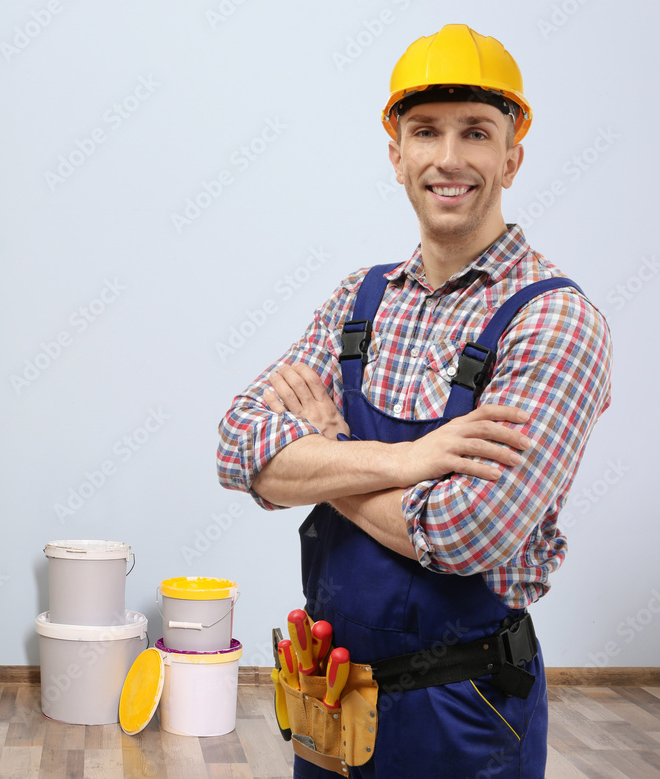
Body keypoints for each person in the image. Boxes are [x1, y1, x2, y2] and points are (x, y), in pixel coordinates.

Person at [216, 24, 612, 778]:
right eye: (425, 131)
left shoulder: (554, 320)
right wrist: (410, 458)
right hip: (331, 692)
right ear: (396, 155)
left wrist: (323, 450)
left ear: (512, 157)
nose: (449, 157)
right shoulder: (357, 300)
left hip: (465, 708)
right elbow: (237, 447)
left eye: (477, 133)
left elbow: (467, 532)